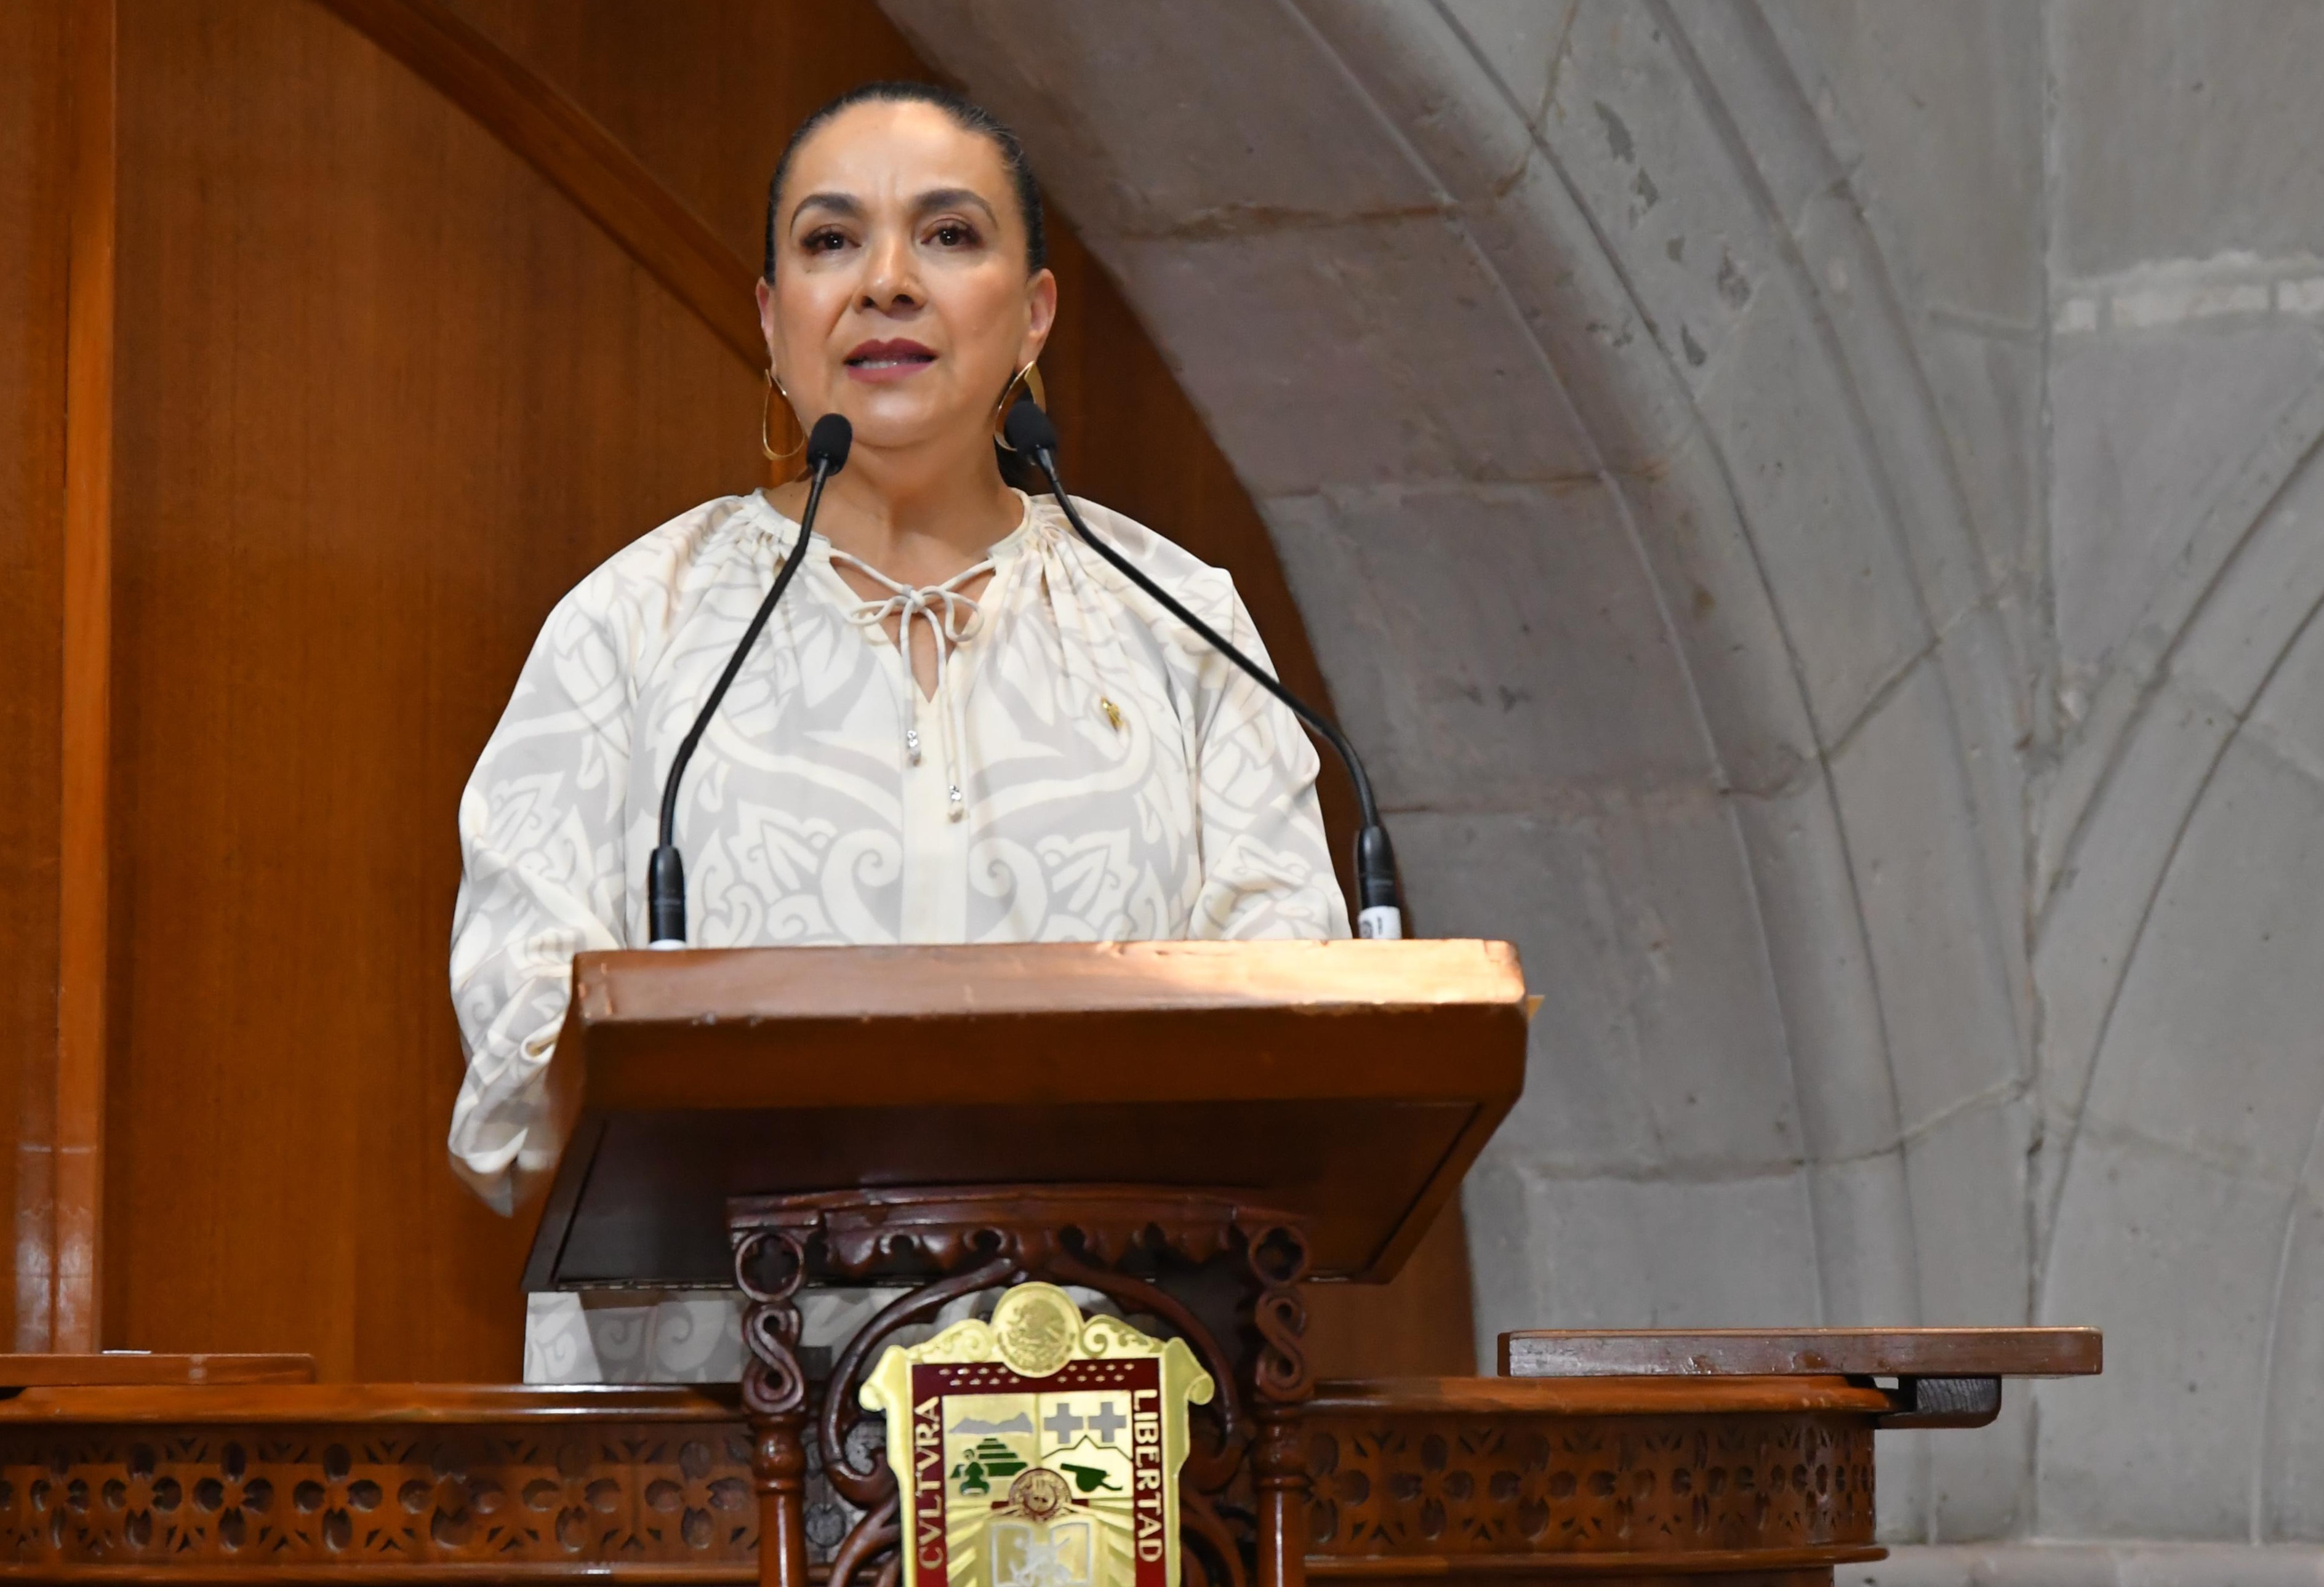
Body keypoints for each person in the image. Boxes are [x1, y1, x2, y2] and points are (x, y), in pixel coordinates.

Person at [445, 82, 1348, 1383]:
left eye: (948, 235)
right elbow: (522, 1055)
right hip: (715, 1428)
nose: (885, 283)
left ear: (1034, 312)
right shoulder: (634, 624)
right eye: (831, 240)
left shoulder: (1176, 618)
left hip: (1107, 1419)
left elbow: (1299, 1010)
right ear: (773, 319)